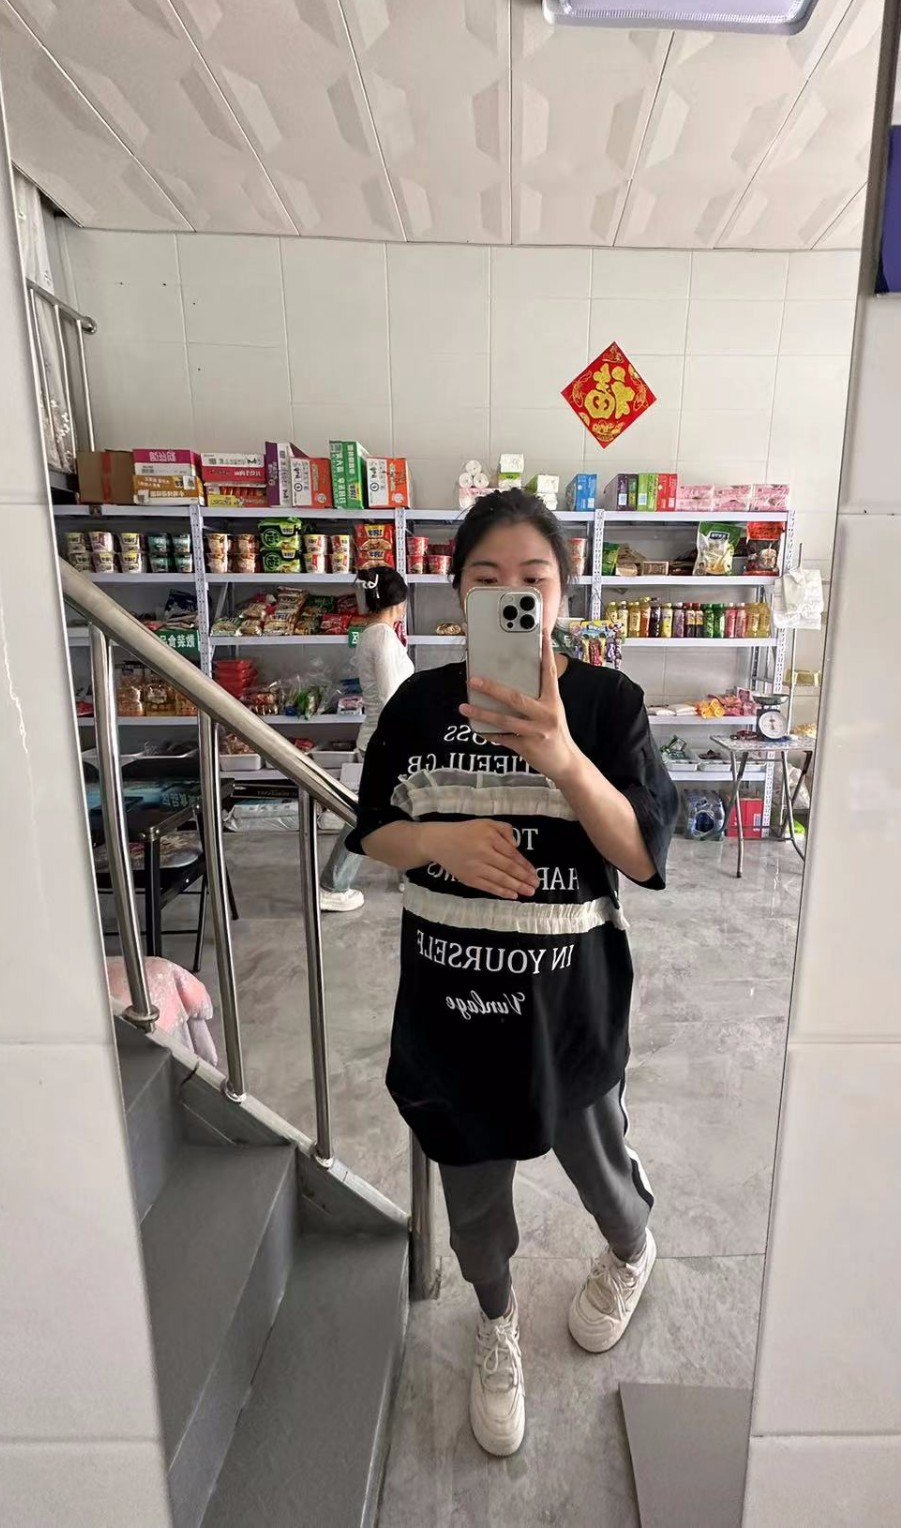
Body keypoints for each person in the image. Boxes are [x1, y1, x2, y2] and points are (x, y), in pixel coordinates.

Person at [345, 489, 677, 1457]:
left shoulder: (607, 705)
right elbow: (374, 829)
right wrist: (438, 842)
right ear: (457, 597)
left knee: (597, 1164)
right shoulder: (418, 705)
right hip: (449, 1014)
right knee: (474, 1196)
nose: (509, 595)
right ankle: (494, 1319)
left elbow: (643, 854)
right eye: (485, 580)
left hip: (568, 1010)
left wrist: (563, 757)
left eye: (531, 580)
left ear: (560, 595)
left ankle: (630, 1246)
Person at [319, 565, 412, 912]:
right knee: (367, 814)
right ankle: (332, 884)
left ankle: (410, 873)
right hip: (387, 739)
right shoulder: (383, 638)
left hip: (379, 736)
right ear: (399, 602)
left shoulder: (371, 633)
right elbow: (390, 698)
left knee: (402, 807)